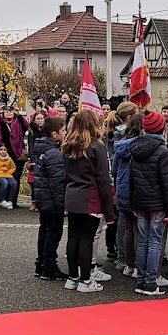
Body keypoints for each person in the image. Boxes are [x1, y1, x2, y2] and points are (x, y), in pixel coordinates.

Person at [63, 109, 116, 292]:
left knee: (73, 238)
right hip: (90, 198)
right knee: (86, 239)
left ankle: (73, 277)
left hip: (72, 196)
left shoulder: (69, 144)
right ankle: (85, 280)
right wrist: (109, 212)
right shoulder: (97, 146)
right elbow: (103, 180)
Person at [130, 110, 168, 296]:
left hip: (141, 202)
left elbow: (133, 179)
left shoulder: (135, 148)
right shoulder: (163, 152)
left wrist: (134, 203)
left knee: (142, 241)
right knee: (155, 242)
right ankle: (150, 281)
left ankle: (141, 279)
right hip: (157, 203)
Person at [31, 116, 67, 279]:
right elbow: (57, 182)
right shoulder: (54, 153)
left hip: (43, 198)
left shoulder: (42, 148)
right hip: (52, 200)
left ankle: (41, 264)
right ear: (54, 134)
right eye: (63, 130)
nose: (65, 133)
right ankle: (49, 266)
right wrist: (61, 205)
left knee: (44, 231)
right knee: (53, 233)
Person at [111, 112, 141, 276]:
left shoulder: (120, 145)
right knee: (139, 230)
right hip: (137, 190)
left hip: (122, 189)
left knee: (127, 229)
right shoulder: (142, 145)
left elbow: (114, 170)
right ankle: (137, 265)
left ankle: (127, 263)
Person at [0, 105, 28, 207]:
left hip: (17, 153)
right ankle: (4, 200)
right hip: (4, 153)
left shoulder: (18, 121)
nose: (9, 113)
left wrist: (19, 114)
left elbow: (27, 125)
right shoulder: (0, 122)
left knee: (17, 177)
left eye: (11, 111)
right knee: (5, 176)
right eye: (6, 111)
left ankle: (13, 201)